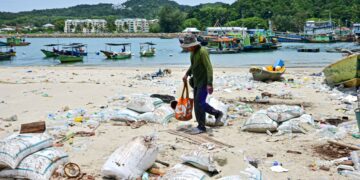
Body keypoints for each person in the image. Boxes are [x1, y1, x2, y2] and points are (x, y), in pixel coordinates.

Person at [181, 34, 223, 135]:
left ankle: (202, 126)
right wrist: (187, 74)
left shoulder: (203, 52)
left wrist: (209, 83)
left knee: (199, 103)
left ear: (194, 45)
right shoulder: (193, 52)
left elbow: (209, 68)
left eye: (188, 46)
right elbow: (193, 65)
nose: (187, 49)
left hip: (203, 82)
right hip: (196, 81)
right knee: (198, 103)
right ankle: (216, 113)